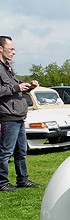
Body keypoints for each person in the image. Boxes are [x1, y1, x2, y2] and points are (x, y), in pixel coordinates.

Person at [0, 35, 40, 192]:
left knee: (21, 151)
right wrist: (17, 88)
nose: (14, 52)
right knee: (5, 152)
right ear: (1, 49)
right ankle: (2, 182)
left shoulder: (8, 67)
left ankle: (22, 179)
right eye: (11, 49)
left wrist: (29, 86)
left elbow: (16, 86)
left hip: (18, 115)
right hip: (7, 116)